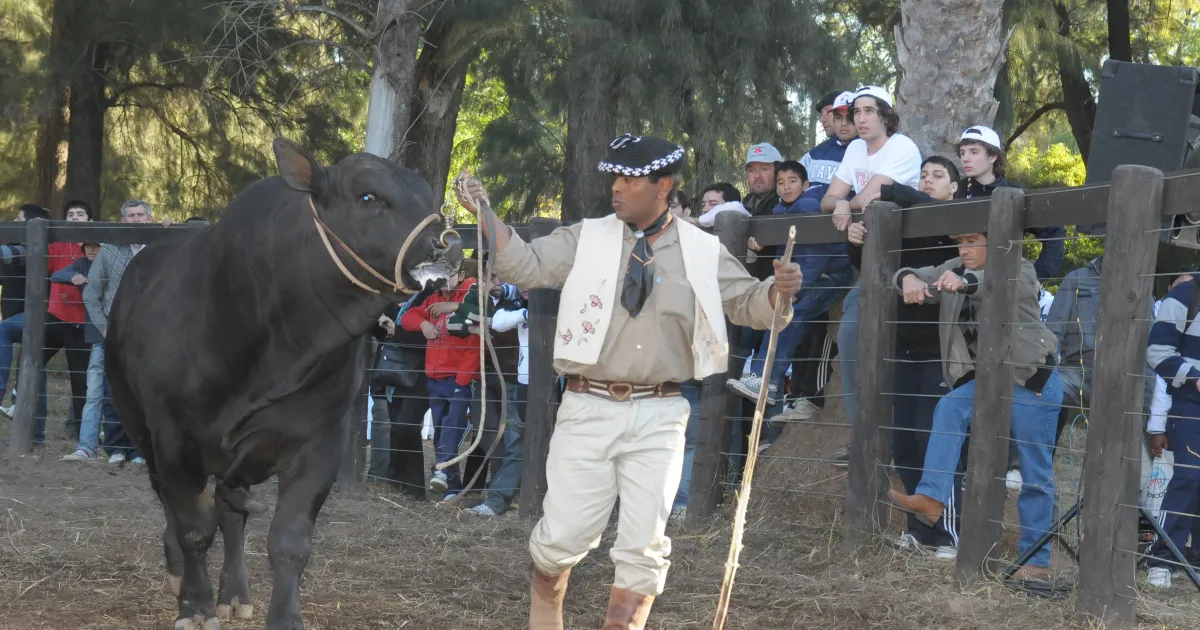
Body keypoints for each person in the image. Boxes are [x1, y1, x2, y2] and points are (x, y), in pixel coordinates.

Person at [455, 132, 802, 629]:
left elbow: (749, 304)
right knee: (560, 541)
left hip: (662, 414)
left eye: (629, 179)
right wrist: (486, 215)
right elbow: (527, 265)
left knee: (644, 548)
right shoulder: (585, 237)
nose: (616, 187)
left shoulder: (702, 250)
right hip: (586, 407)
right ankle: (544, 615)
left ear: (663, 186)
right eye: (615, 177)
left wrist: (777, 292)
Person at [886, 229, 1062, 581]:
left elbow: (998, 284)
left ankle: (1036, 562)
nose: (963, 249)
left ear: (994, 240)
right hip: (985, 381)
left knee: (1035, 474)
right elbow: (911, 274)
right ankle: (931, 499)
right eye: (960, 242)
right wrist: (906, 278)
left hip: (1031, 380)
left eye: (971, 241)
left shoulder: (1020, 266)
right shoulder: (953, 266)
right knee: (948, 408)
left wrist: (964, 282)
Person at [843, 156, 966, 555]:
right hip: (900, 347)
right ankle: (920, 530)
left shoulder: (958, 224)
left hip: (942, 353)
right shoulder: (903, 222)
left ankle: (949, 533)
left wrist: (890, 190)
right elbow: (874, 265)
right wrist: (857, 238)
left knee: (934, 440)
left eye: (938, 176)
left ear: (955, 188)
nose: (928, 181)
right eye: (923, 175)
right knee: (905, 443)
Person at [822, 85, 922, 466]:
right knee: (850, 337)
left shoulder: (902, 148)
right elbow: (827, 199)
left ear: (885, 114)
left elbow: (868, 197)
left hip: (911, 263)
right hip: (872, 265)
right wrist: (842, 204)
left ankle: (894, 442)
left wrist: (845, 204)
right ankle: (862, 434)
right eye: (855, 113)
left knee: (898, 350)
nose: (860, 119)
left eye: (868, 111)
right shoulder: (854, 151)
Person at [728, 162, 851, 404]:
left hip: (828, 275)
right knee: (779, 312)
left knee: (792, 315)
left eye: (793, 181)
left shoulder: (809, 206)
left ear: (805, 184)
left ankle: (767, 381)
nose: (786, 187)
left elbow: (816, 256)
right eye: (781, 183)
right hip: (803, 276)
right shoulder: (780, 211)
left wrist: (795, 290)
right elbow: (784, 252)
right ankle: (764, 379)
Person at [83, 199, 154, 464]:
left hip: (151, 334)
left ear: (149, 219)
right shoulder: (109, 251)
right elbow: (91, 293)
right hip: (116, 333)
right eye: (131, 216)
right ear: (123, 221)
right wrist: (103, 327)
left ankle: (140, 450)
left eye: (140, 215)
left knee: (144, 392)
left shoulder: (160, 248)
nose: (136, 220)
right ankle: (115, 448)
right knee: (113, 392)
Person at [399, 266, 480, 499]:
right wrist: (423, 324)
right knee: (441, 432)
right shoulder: (434, 299)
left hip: (458, 377)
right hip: (435, 377)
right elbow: (407, 317)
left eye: (450, 275)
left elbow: (476, 342)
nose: (444, 280)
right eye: (441, 276)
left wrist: (462, 379)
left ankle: (443, 471)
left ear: (460, 274)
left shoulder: (469, 296)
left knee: (452, 427)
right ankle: (451, 486)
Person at [955, 125, 1066, 282]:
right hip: (960, 281)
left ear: (992, 156)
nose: (966, 158)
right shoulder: (956, 191)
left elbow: (1055, 231)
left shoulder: (1015, 193)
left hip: (1005, 282)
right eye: (962, 153)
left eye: (974, 152)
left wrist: (1037, 276)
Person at [1144, 275, 1200, 588]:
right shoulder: (1184, 295)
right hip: (1191, 404)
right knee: (1189, 477)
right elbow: (1157, 352)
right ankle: (1162, 559)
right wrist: (1195, 377)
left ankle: (1195, 559)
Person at [801, 90, 857, 187]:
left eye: (828, 112)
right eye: (839, 117)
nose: (822, 119)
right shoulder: (815, 152)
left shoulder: (867, 150)